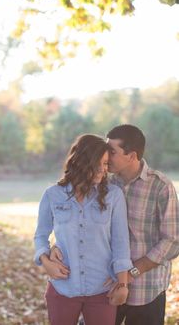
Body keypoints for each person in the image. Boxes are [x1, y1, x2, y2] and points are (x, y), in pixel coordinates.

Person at [51, 125, 179, 325]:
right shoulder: (102, 181)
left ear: (131, 155)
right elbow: (74, 221)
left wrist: (131, 272)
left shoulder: (160, 186)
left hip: (147, 289)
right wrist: (54, 248)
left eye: (112, 151)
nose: (106, 156)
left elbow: (172, 240)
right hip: (104, 287)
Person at [34, 134, 133, 325]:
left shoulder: (114, 196)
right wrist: (46, 262)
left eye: (106, 164)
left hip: (101, 289)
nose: (103, 170)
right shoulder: (52, 195)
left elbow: (120, 242)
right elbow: (40, 236)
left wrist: (122, 284)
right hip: (63, 288)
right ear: (81, 161)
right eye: (98, 164)